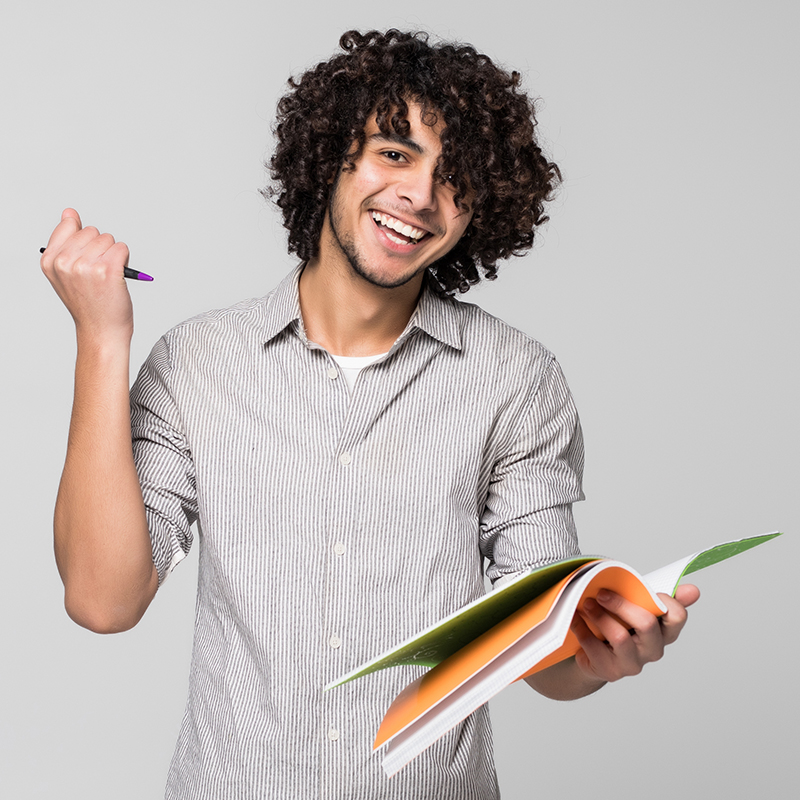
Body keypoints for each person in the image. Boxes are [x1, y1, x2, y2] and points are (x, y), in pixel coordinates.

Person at [40, 29, 699, 800]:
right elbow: (101, 599)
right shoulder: (194, 365)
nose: (419, 197)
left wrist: (598, 654)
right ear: (333, 158)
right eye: (395, 153)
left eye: (454, 180)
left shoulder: (518, 381)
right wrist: (101, 336)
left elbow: (541, 651)